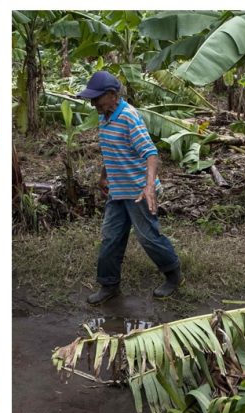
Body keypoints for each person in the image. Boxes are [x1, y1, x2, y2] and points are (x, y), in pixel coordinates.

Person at [77, 71, 182, 304]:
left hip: (137, 192)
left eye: (97, 98)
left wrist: (149, 188)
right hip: (117, 190)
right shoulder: (106, 116)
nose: (93, 103)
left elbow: (151, 154)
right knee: (111, 238)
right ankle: (109, 285)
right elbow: (110, 151)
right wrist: (104, 176)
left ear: (113, 95)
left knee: (148, 237)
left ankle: (173, 275)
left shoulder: (128, 117)